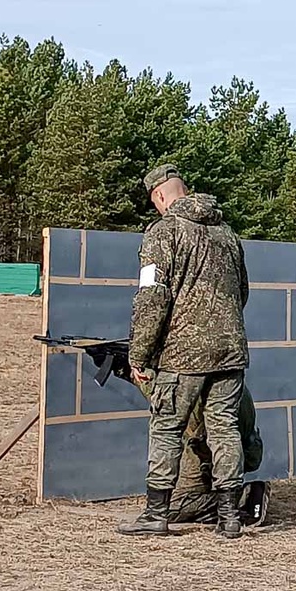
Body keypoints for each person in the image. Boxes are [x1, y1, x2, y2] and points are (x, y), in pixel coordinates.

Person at [118, 164, 251, 539]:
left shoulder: (163, 233)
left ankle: (156, 513)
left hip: (183, 354)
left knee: (166, 427)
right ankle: (229, 517)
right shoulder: (227, 234)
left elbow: (151, 297)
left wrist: (139, 354)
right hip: (230, 350)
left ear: (159, 196)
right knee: (224, 427)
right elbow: (242, 292)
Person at [130, 376, 270, 527]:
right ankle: (230, 504)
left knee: (170, 508)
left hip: (209, 448)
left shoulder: (183, 376)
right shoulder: (224, 369)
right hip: (236, 447)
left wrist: (133, 370)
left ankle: (244, 497)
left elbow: (166, 407)